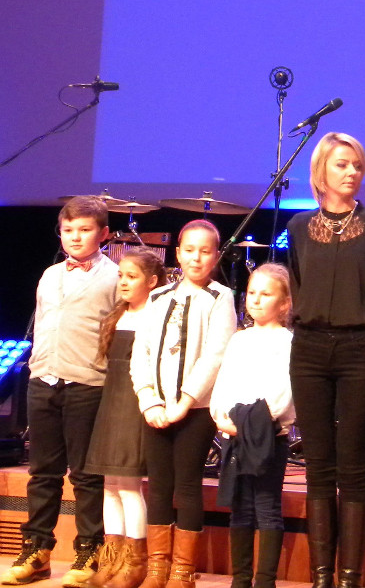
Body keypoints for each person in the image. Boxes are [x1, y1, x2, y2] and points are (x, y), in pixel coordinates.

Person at [286, 133, 365, 588]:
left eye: (357, 165)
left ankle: (349, 578)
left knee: (352, 468)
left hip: (360, 352)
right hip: (309, 350)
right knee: (317, 466)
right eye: (342, 164)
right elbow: (297, 287)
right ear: (320, 171)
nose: (352, 172)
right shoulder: (298, 227)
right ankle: (320, 577)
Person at [2, 195, 118, 587]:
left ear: (103, 233)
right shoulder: (50, 275)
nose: (75, 237)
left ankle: (89, 552)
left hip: (87, 382)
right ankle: (37, 550)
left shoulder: (114, 277)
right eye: (68, 230)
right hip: (44, 379)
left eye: (85, 230)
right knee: (42, 472)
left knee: (85, 474)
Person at [130, 219, 237, 588]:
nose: (196, 258)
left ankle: (182, 570)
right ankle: (157, 567)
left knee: (187, 484)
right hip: (156, 407)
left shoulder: (220, 297)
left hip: (196, 409)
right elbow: (141, 352)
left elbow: (215, 355)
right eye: (189, 250)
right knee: (158, 484)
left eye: (205, 251)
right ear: (177, 254)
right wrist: (148, 400)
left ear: (216, 256)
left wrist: (184, 402)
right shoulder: (158, 297)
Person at [83, 248, 168, 588]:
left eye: (132, 277)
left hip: (135, 404)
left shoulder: (155, 317)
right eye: (121, 276)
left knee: (130, 486)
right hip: (111, 402)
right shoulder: (117, 316)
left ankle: (135, 562)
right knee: (110, 486)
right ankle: (112, 558)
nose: (123, 282)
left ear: (152, 281)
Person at [211, 263, 295, 588]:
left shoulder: (287, 342)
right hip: (234, 435)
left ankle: (265, 581)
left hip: (267, 437)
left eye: (266, 294)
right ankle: (241, 579)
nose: (256, 300)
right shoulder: (240, 340)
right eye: (252, 292)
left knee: (266, 505)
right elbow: (223, 385)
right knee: (240, 508)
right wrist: (222, 418)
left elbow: (281, 397)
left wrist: (247, 424)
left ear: (284, 303)